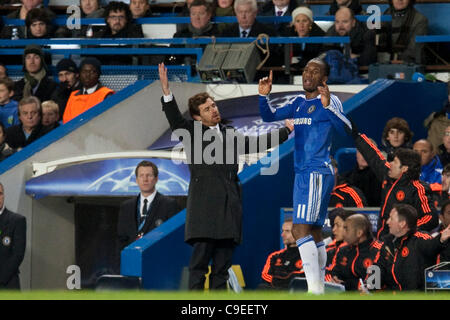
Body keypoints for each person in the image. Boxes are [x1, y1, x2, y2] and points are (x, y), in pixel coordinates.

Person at [158, 62, 292, 290]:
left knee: (222, 268)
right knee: (198, 266)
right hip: (204, 210)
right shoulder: (191, 133)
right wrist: (167, 93)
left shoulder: (230, 132)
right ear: (197, 117)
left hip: (230, 209)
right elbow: (175, 120)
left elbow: (254, 144)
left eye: (214, 105)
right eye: (208, 108)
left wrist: (285, 131)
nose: (214, 110)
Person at [258, 58, 351, 294]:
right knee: (315, 232)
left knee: (299, 230)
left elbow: (346, 129)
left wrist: (329, 105)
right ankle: (319, 286)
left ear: (324, 79)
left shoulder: (329, 101)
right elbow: (270, 116)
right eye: (306, 70)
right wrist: (263, 96)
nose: (308, 74)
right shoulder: (298, 102)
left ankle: (313, 290)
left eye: (315, 71)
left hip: (316, 171)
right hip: (303, 174)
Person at [348, 122, 439, 240]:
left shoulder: (418, 189)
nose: (390, 164)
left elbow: (431, 218)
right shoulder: (388, 176)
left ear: (404, 168)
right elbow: (373, 156)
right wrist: (357, 136)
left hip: (403, 247)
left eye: (394, 162)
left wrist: (405, 232)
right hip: (382, 242)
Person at [370, 204, 449, 291]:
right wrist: (368, 287)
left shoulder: (420, 239)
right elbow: (377, 268)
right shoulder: (387, 244)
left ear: (402, 224)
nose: (387, 222)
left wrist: (441, 239)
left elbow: (432, 245)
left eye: (391, 218)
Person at [117, 160, 181, 251]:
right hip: (132, 260)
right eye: (141, 176)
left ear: (156, 179)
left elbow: (174, 238)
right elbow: (121, 240)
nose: (145, 179)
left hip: (158, 259)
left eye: (149, 175)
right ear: (136, 180)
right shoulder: (126, 207)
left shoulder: (169, 204)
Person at [327, 214, 381, 290]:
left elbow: (372, 285)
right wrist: (334, 279)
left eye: (346, 229)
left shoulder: (379, 251)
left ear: (359, 233)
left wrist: (345, 284)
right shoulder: (342, 249)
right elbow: (332, 273)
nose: (343, 232)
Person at [62, 57, 115, 124]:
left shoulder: (107, 95)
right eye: (84, 71)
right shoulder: (74, 95)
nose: (87, 75)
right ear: (79, 74)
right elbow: (66, 121)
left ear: (98, 74)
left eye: (92, 72)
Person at [169, 0, 220, 67]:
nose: (197, 18)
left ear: (209, 15)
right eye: (193, 14)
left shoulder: (218, 35)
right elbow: (171, 60)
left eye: (201, 14)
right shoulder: (179, 36)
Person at [260, 218, 304, 289]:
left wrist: (279, 278)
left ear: (299, 232)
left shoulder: (308, 255)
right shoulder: (274, 256)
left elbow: (302, 280)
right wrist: (289, 277)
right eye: (282, 231)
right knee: (261, 288)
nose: (282, 235)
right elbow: (266, 278)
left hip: (297, 295)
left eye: (287, 231)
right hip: (275, 293)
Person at [280, 6, 326, 70]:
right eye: (298, 21)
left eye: (304, 21)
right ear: (294, 24)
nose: (301, 25)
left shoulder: (320, 35)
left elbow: (320, 57)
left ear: (310, 23)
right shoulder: (287, 35)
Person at [0, 182, 26, 289]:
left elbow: (17, 255)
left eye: (0, 193)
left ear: (3, 196)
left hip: (7, 284)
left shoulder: (17, 221)